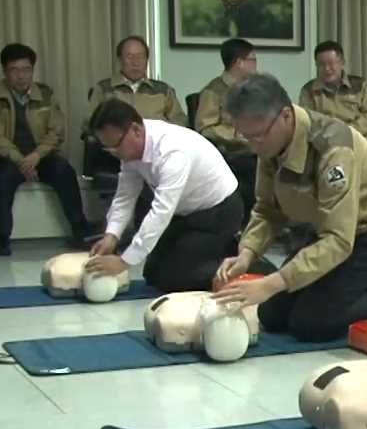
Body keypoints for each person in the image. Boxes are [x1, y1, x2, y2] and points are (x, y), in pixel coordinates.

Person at [212, 73, 367, 342]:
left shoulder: (332, 147)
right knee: (272, 315)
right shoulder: (269, 143)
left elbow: (340, 241)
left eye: (257, 136)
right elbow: (267, 209)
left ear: (285, 116)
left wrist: (272, 282)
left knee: (313, 324)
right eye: (245, 136)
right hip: (323, 228)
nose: (252, 144)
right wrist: (246, 254)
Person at [85, 99, 243, 292]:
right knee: (153, 273)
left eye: (116, 145)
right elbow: (125, 195)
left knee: (177, 279)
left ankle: (243, 260)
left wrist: (123, 262)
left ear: (135, 130)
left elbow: (161, 211)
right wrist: (111, 236)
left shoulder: (172, 151)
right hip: (185, 213)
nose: (114, 153)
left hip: (218, 212)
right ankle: (216, 252)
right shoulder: (131, 150)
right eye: (108, 148)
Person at [0, 43, 94, 255]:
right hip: (6, 158)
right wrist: (20, 160)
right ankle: (2, 238)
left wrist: (36, 155)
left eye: (26, 70)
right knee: (2, 176)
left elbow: (56, 131)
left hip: (40, 155)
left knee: (64, 170)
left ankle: (81, 231)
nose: (21, 76)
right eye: (14, 70)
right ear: (5, 72)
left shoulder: (45, 94)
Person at [84, 35, 188, 175]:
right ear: (120, 59)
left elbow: (179, 122)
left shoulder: (163, 90)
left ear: (147, 60)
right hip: (116, 154)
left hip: (157, 153)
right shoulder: (104, 89)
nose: (135, 62)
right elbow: (89, 123)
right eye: (130, 56)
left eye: (140, 57)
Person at [195, 37, 260, 222]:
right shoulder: (213, 91)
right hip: (231, 153)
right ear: (238, 63)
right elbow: (205, 128)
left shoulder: (254, 89)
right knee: (255, 171)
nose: (256, 65)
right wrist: (238, 137)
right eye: (252, 60)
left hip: (256, 148)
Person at [298, 40, 367, 145]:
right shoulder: (309, 90)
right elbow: (307, 122)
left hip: (362, 142)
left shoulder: (360, 85)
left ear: (342, 63)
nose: (327, 69)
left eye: (331, 63)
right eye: (321, 65)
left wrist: (346, 131)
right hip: (329, 143)